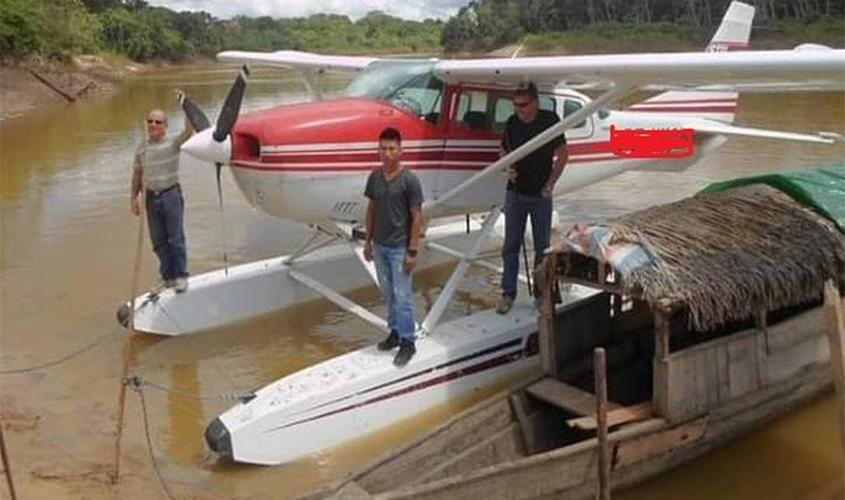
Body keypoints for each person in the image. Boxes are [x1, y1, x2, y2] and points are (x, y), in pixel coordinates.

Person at [497, 82, 568, 314]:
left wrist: (550, 184)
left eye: (524, 105)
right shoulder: (512, 124)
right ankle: (508, 293)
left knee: (542, 248)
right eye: (515, 105)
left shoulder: (550, 120)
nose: (519, 110)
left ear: (535, 102)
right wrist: (507, 168)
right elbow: (503, 150)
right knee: (510, 246)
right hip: (515, 192)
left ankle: (542, 294)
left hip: (540, 194)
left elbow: (563, 155)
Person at [363, 127, 424, 367]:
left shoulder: (409, 180)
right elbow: (371, 210)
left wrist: (412, 251)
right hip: (379, 246)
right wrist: (367, 241)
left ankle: (409, 341)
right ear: (378, 150)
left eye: (392, 149)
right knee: (388, 294)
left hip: (400, 248)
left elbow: (417, 216)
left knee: (403, 296)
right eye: (383, 149)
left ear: (400, 151)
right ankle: (395, 332)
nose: (387, 154)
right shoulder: (375, 177)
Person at [130, 95, 194, 294]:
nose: (153, 125)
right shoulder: (142, 149)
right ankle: (167, 277)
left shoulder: (173, 144)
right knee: (158, 242)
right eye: (150, 121)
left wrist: (185, 105)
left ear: (165, 125)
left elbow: (189, 130)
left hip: (171, 195)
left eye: (158, 122)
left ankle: (181, 276)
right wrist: (134, 197)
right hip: (151, 198)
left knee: (176, 239)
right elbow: (137, 175)